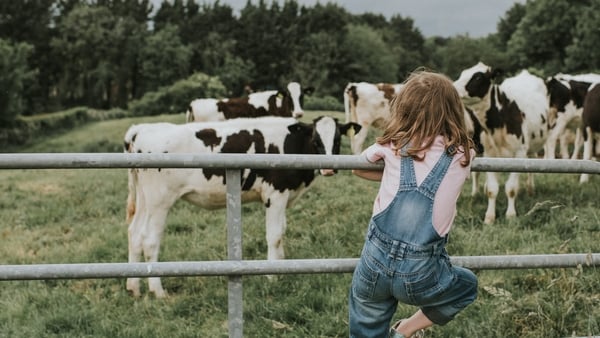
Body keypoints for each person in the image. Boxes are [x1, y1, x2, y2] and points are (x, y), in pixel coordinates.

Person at [348, 70, 478, 338]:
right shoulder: (464, 154)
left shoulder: (390, 146)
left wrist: (390, 173)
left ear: (403, 108)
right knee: (467, 285)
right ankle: (405, 330)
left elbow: (358, 169)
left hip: (373, 265)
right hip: (421, 275)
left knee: (366, 325)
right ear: (454, 111)